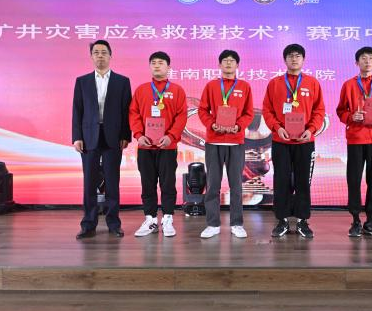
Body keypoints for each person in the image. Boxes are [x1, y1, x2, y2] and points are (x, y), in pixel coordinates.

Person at [262, 43, 325, 239]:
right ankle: (281, 220)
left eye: (298, 55)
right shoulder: (274, 83)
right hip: (281, 140)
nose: (294, 59)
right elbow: (267, 110)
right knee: (281, 181)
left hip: (305, 141)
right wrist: (277, 128)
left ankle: (301, 220)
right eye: (290, 56)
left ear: (303, 59)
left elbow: (319, 111)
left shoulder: (312, 83)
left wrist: (311, 129)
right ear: (285, 60)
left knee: (303, 181)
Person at [72, 40, 132, 239]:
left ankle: (113, 223)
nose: (100, 55)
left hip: (113, 137)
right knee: (89, 182)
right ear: (91, 57)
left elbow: (126, 111)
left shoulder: (122, 81)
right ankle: (88, 224)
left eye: (104, 52)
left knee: (112, 182)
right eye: (96, 52)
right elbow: (77, 111)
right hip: (89, 137)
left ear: (110, 56)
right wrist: (77, 137)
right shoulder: (82, 81)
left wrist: (125, 135)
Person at [336, 46, 372, 238]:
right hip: (355, 138)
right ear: (357, 62)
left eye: (371, 58)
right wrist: (351, 116)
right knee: (353, 179)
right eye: (363, 58)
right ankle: (355, 220)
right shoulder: (348, 85)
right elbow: (340, 111)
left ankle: (370, 220)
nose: (367, 61)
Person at [129, 51, 188, 238]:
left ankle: (168, 218)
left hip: (167, 147)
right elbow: (134, 114)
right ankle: (150, 219)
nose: (156, 65)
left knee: (167, 184)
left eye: (161, 62)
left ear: (168, 67)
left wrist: (171, 136)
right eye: (153, 62)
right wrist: (138, 135)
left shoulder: (177, 90)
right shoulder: (141, 90)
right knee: (147, 184)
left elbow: (181, 116)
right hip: (145, 146)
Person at [197, 50, 255, 239]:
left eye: (232, 61)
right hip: (214, 141)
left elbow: (249, 113)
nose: (228, 63)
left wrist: (238, 126)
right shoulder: (211, 86)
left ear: (237, 65)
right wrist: (211, 124)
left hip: (235, 141)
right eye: (225, 61)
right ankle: (212, 224)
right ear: (219, 65)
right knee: (213, 184)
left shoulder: (244, 86)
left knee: (236, 185)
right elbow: (202, 110)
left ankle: (237, 224)